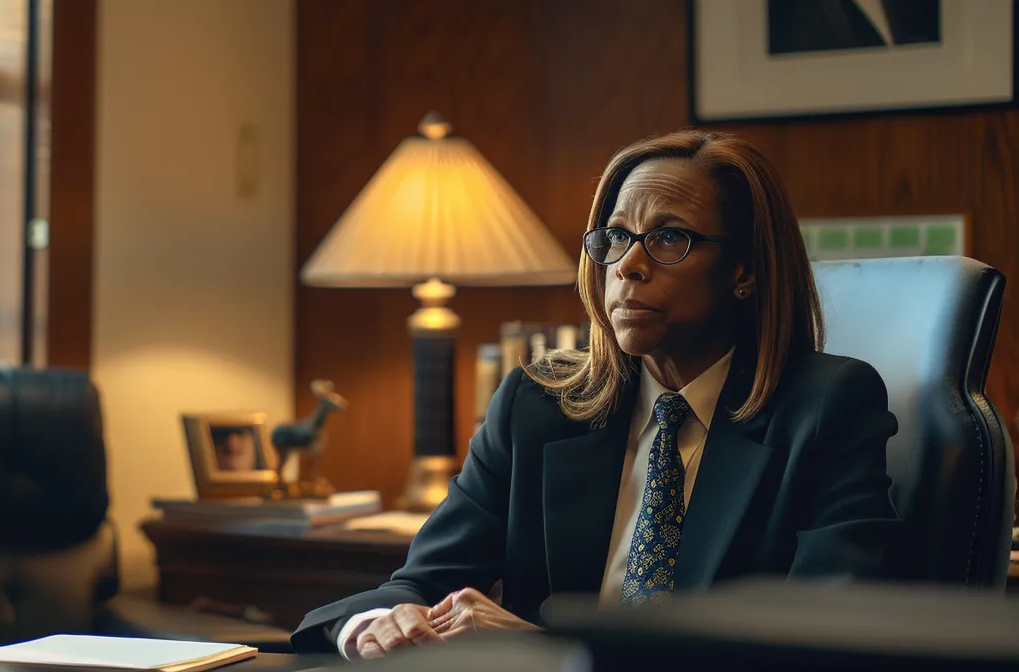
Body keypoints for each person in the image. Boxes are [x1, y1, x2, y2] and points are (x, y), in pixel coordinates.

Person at [291, 130, 901, 660]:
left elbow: (820, 648)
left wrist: (551, 653)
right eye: (615, 237)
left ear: (744, 272)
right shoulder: (537, 404)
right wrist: (375, 627)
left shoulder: (828, 409)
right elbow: (420, 583)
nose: (628, 265)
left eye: (670, 239)